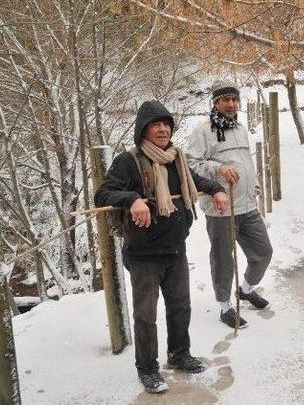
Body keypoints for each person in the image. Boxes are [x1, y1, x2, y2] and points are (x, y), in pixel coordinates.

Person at [94, 100, 229, 394]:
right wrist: (133, 199)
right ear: (144, 130)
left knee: (180, 305)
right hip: (143, 252)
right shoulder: (129, 161)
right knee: (145, 314)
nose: (162, 129)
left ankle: (179, 354)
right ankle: (148, 368)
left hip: (174, 246)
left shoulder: (175, 159)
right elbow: (103, 192)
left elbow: (195, 180)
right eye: (156, 124)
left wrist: (216, 189)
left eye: (166, 124)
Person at [186, 80, 273, 329]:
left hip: (247, 205)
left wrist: (253, 187)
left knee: (263, 252)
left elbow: (245, 161)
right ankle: (225, 306)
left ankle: (245, 290)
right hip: (221, 208)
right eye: (226, 100)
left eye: (234, 100)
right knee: (224, 259)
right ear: (216, 103)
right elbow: (192, 164)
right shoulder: (203, 131)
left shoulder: (240, 128)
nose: (232, 104)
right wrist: (218, 168)